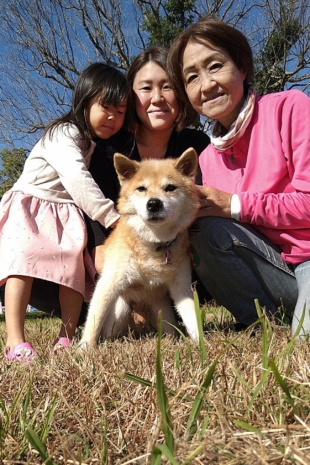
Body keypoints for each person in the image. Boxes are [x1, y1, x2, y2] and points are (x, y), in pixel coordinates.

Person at [28, 47, 211, 324]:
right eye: (146, 88)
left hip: (176, 261)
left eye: (168, 87)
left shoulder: (197, 145)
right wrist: (98, 246)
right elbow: (83, 195)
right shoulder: (107, 148)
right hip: (118, 254)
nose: (157, 98)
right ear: (130, 97)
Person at [167, 15, 310, 338]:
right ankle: (261, 320)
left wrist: (235, 204)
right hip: (270, 271)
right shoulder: (205, 158)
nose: (206, 85)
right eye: (192, 77)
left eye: (215, 66)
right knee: (203, 228)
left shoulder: (290, 108)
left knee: (303, 345)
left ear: (242, 66)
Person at [0, 62, 133, 361]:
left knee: (72, 273)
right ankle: (15, 340)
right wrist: (112, 217)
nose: (113, 117)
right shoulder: (63, 132)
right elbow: (76, 178)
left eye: (121, 111)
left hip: (64, 212)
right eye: (106, 106)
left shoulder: (93, 144)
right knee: (23, 266)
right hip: (33, 205)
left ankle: (67, 337)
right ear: (85, 100)